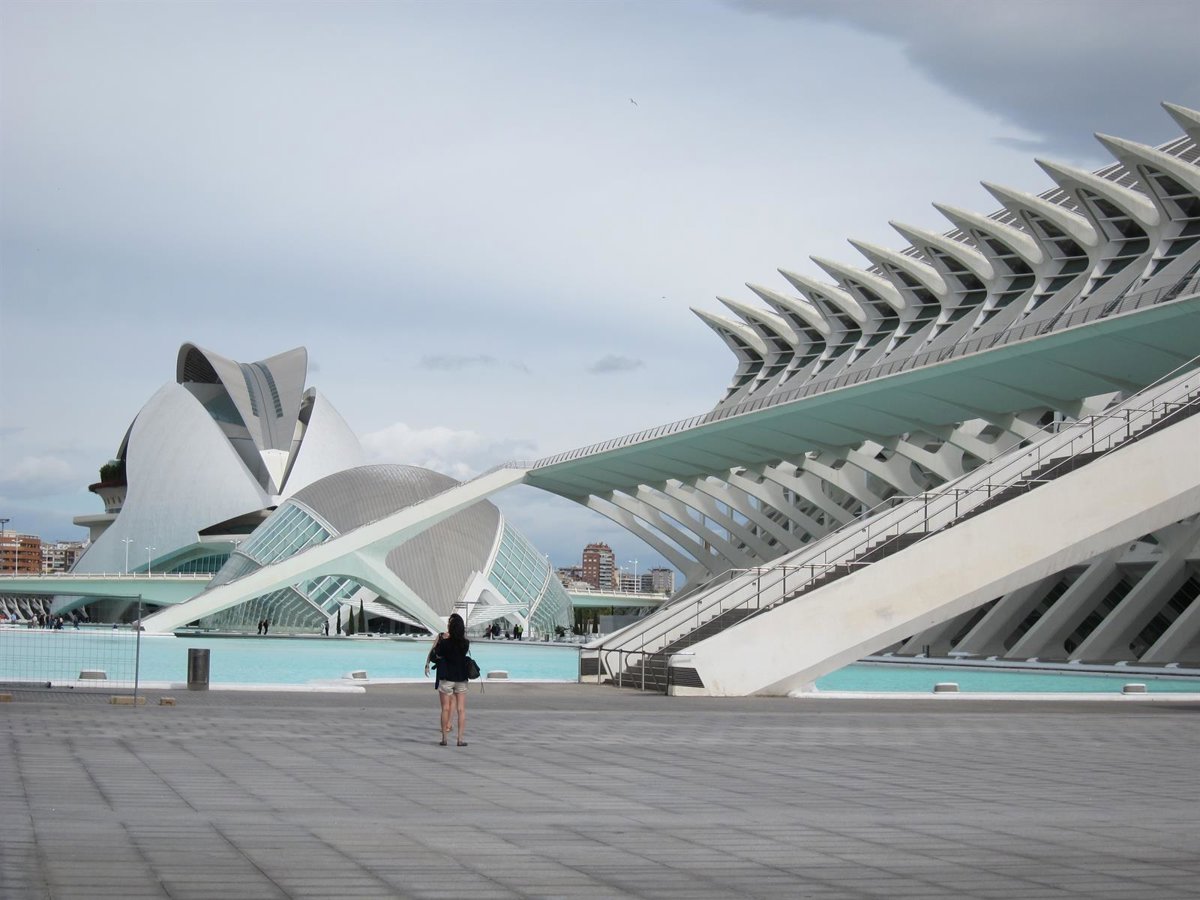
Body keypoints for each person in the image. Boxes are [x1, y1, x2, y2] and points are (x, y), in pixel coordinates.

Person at [424, 613, 470, 747]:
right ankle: (460, 739)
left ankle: (444, 738)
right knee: (461, 709)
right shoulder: (465, 643)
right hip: (461, 678)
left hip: (447, 678)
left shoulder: (444, 643)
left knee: (445, 708)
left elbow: (436, 655)